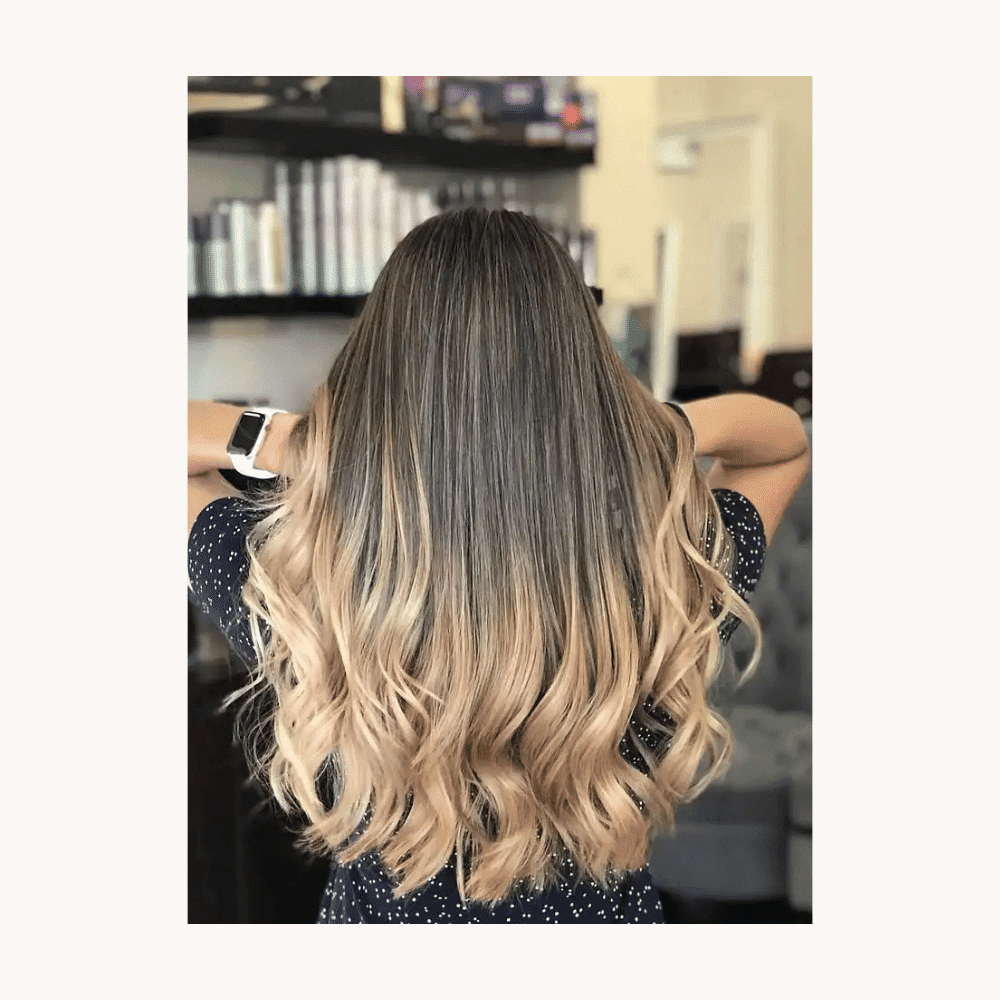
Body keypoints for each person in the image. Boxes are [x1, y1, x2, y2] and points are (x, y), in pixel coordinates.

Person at [187, 207, 810, 923]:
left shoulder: (304, 594)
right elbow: (781, 439)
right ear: (583, 375)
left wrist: (314, 445)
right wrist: (650, 430)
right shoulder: (664, 573)